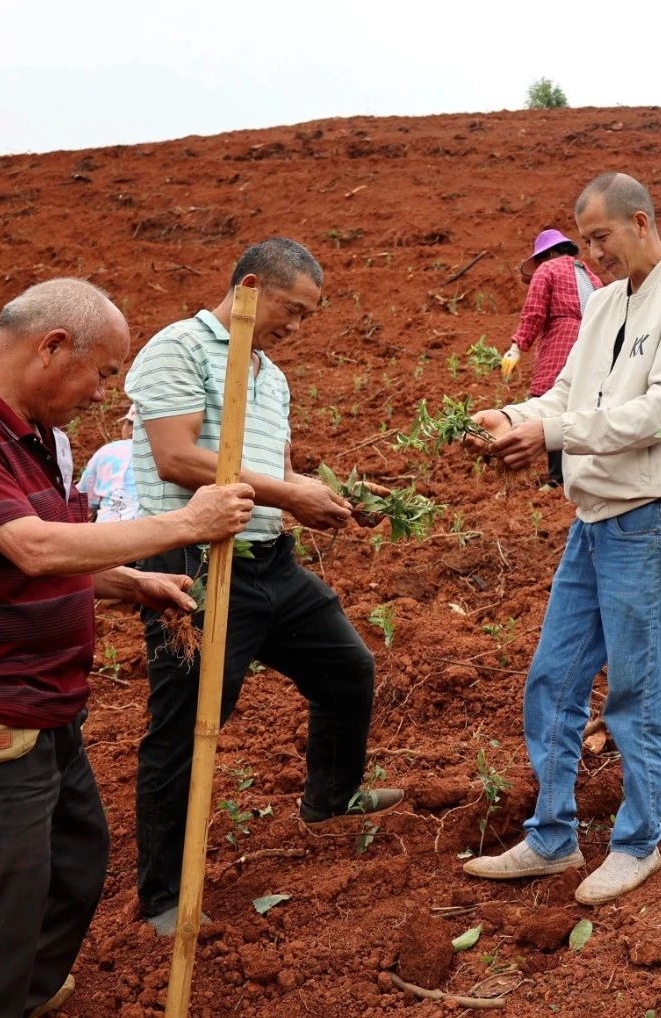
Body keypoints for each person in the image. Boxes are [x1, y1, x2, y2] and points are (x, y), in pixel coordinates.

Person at [0, 277, 254, 1018]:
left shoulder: (34, 438)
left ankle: (15, 995)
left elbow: (31, 560)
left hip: (46, 709)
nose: (101, 393)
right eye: (102, 372)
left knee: (73, 867)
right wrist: (186, 524)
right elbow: (30, 547)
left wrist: (126, 582)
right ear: (51, 347)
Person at [125, 236, 405, 936]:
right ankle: (162, 896)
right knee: (186, 727)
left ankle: (329, 798)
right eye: (295, 309)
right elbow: (178, 455)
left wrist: (329, 498)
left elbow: (271, 471)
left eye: (310, 316)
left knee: (347, 670)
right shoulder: (177, 348)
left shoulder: (270, 374)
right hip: (195, 563)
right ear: (250, 286)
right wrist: (289, 492)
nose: (299, 326)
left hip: (270, 562)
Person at [461, 173, 661, 905]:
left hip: (645, 518)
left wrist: (553, 432)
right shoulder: (605, 302)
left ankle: (637, 840)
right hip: (593, 520)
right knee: (552, 677)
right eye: (584, 240)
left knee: (639, 690)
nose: (592, 254)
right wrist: (514, 415)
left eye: (600, 237)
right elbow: (564, 396)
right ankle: (552, 834)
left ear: (641, 222)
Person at [500, 228, 603, 486]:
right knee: (581, 406)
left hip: (561, 342)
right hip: (593, 345)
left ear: (549, 254)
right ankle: (578, 474)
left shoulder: (547, 270)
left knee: (551, 403)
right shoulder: (593, 277)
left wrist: (516, 347)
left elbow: (534, 313)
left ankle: (556, 479)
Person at [77, 402, 139, 521]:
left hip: (107, 531)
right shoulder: (166, 454)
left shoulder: (109, 450)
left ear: (131, 429)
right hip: (154, 530)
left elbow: (84, 497)